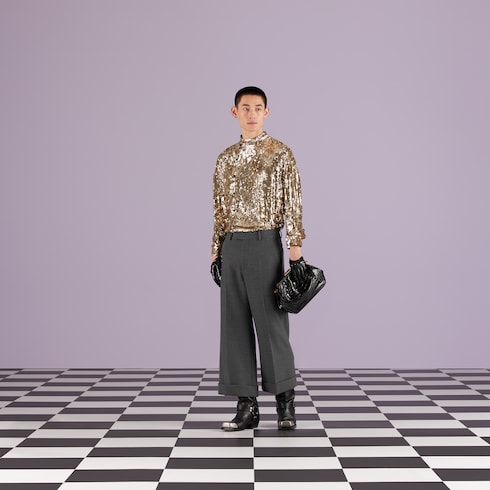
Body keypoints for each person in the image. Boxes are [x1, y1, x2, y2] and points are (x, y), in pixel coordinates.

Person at [211, 86, 307, 431]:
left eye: (257, 108)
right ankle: (246, 407)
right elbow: (220, 208)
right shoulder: (225, 159)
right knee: (234, 326)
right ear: (234, 112)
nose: (251, 114)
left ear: (266, 112)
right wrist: (216, 251)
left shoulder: (280, 153)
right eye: (245, 107)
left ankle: (285, 404)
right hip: (232, 245)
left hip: (266, 243)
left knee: (271, 325)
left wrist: (295, 250)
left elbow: (293, 201)